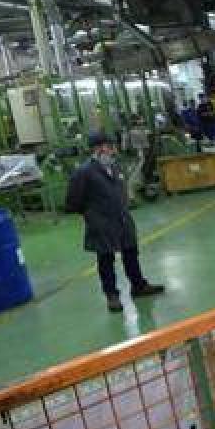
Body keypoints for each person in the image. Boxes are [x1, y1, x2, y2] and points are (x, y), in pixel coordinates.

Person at [64, 132, 165, 313]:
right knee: (106, 259)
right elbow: (72, 201)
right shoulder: (84, 172)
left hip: (123, 219)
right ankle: (112, 295)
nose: (112, 150)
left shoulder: (115, 167)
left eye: (111, 146)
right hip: (102, 223)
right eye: (108, 146)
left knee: (131, 253)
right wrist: (92, 214)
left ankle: (138, 286)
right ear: (97, 149)